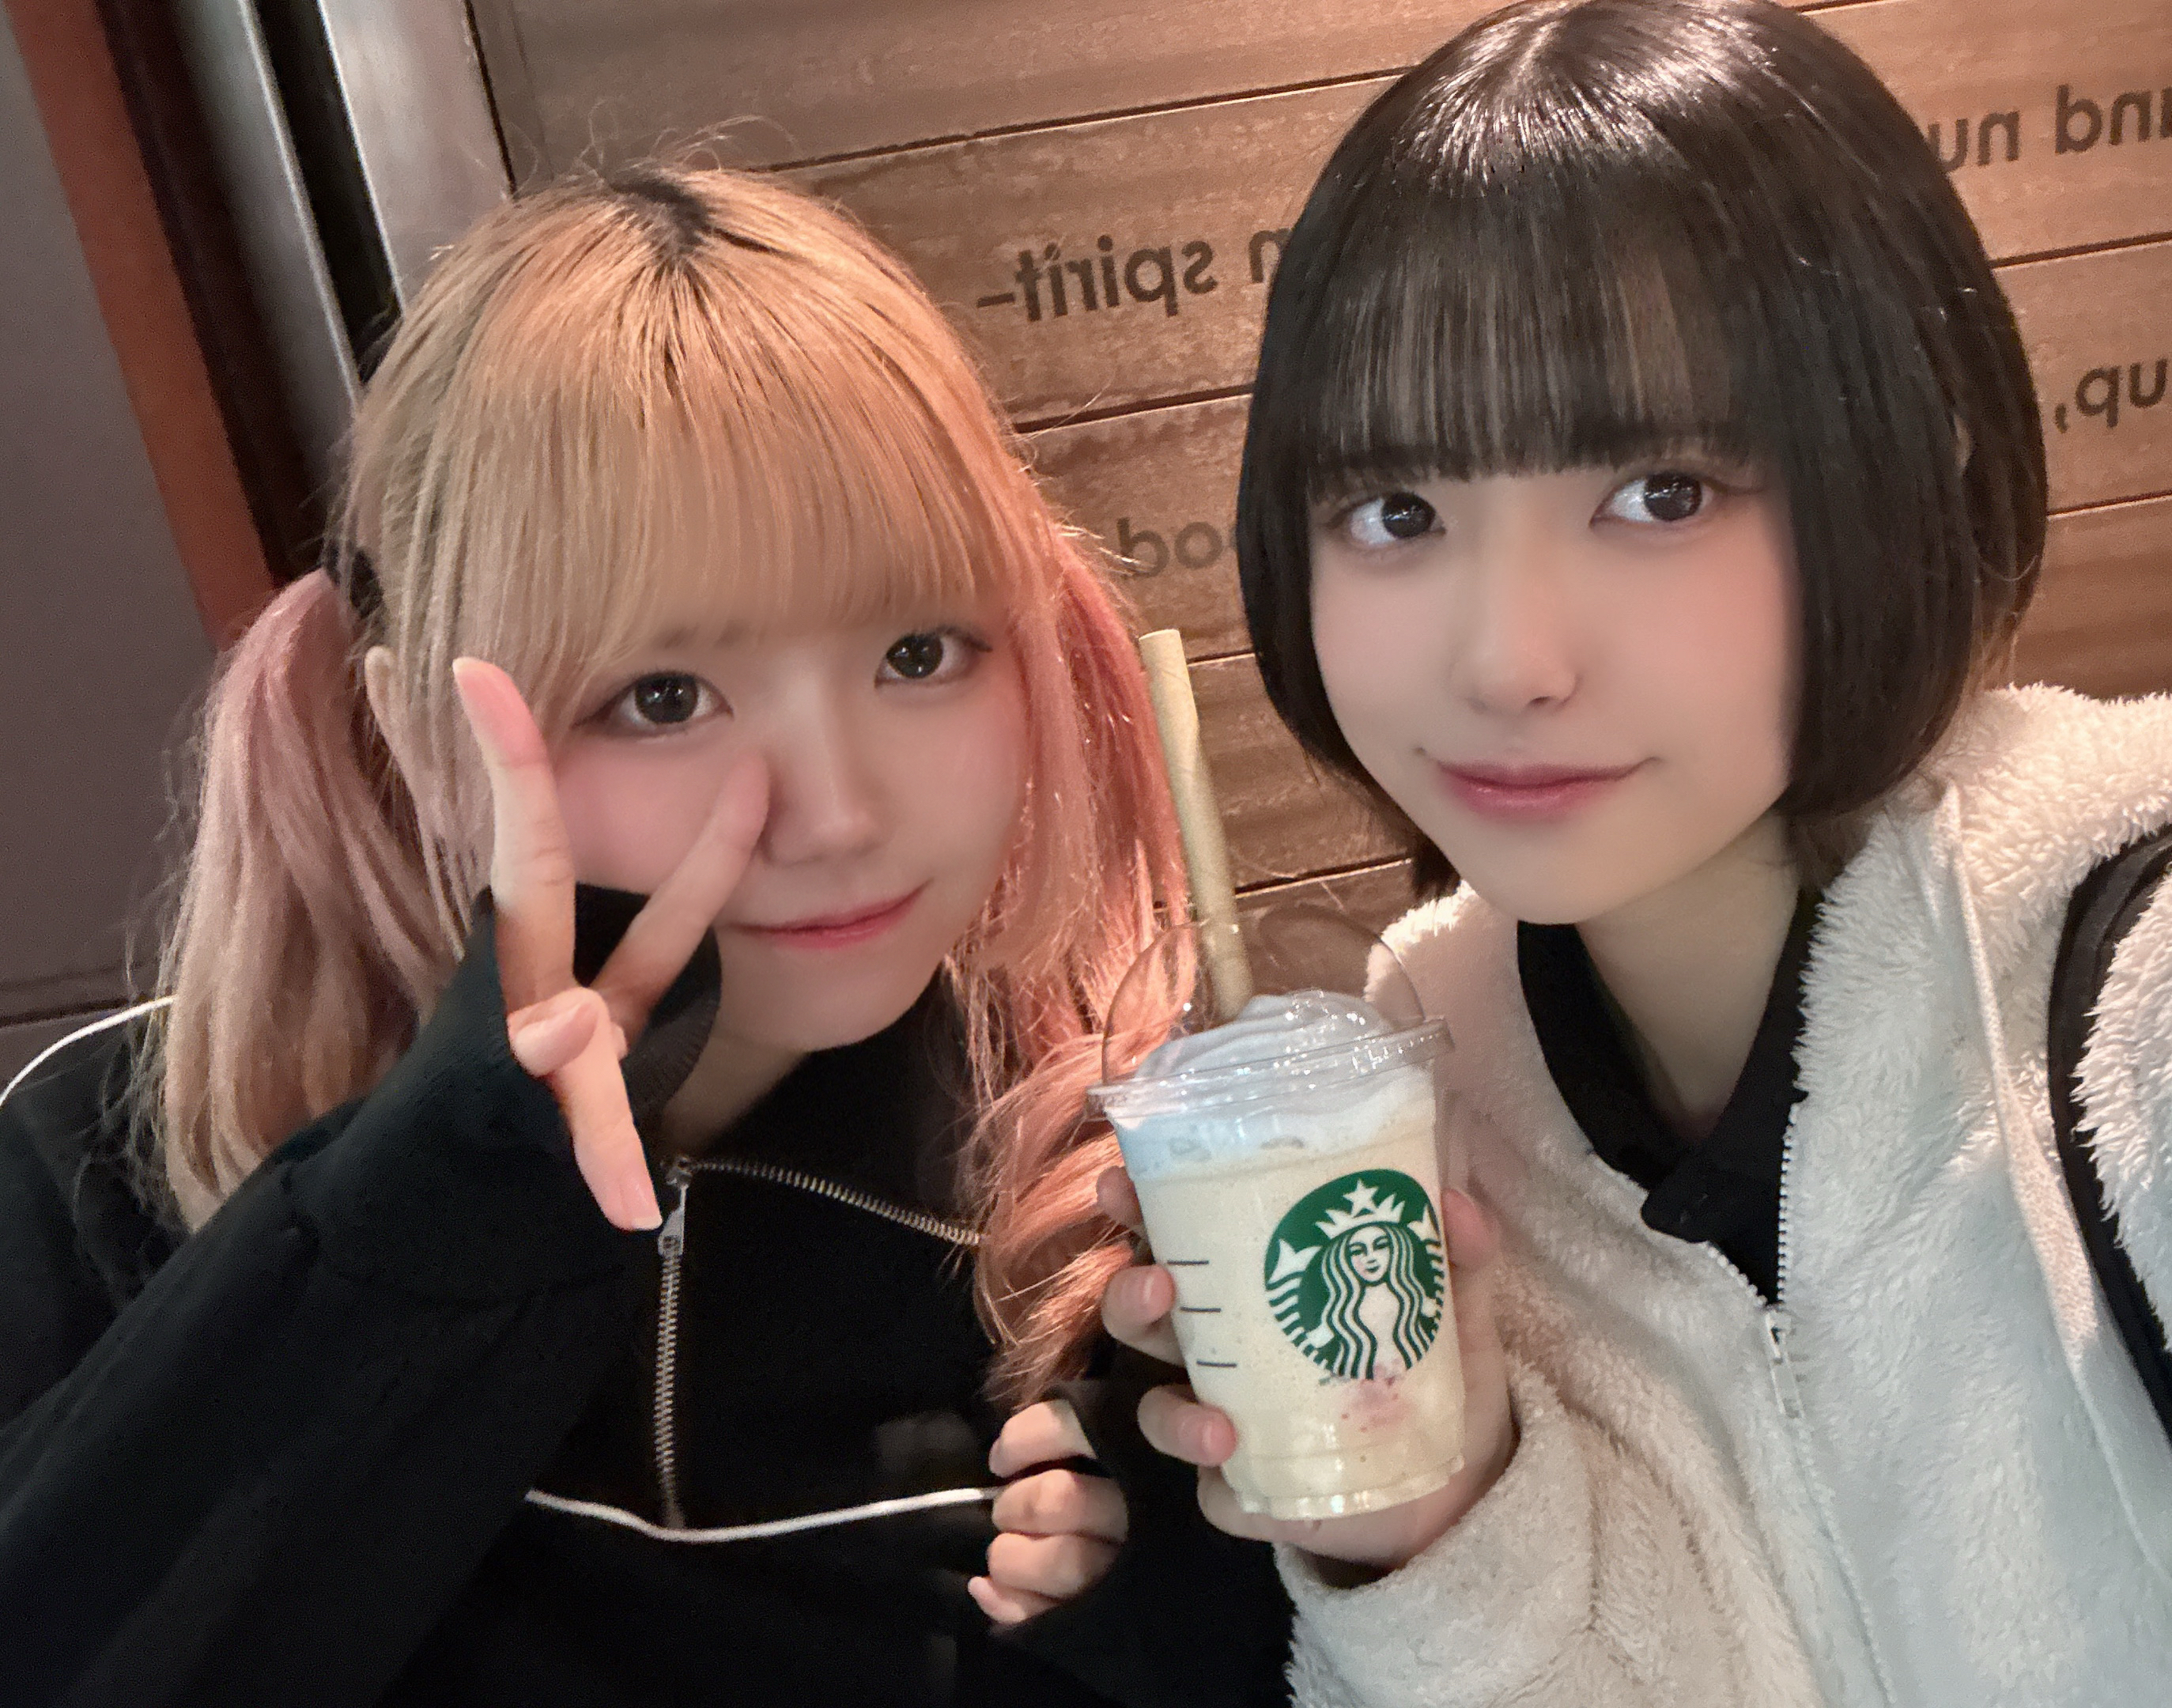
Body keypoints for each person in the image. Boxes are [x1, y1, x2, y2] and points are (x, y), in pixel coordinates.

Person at [995, 1, 2172, 1702]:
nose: (1509, 660)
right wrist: (1437, 1531)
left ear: (1920, 465)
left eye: (1661, 492)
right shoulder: (1430, 1126)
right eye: (1398, 514)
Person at [0, 164, 1291, 1707]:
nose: (836, 813)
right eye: (664, 697)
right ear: (421, 736)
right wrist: (424, 1214)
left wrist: (1203, 1611)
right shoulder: (109, 1167)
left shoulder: (1109, 1200)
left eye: (918, 651)